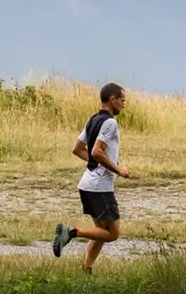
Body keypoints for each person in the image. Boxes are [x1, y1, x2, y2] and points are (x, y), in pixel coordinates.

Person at [51, 82, 131, 272]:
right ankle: (70, 232)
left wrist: (96, 163)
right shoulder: (110, 122)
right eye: (122, 101)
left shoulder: (92, 119)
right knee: (112, 234)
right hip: (99, 188)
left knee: (100, 232)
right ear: (112, 99)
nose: (123, 105)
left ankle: (86, 269)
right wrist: (118, 170)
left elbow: (77, 149)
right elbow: (97, 151)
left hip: (87, 184)